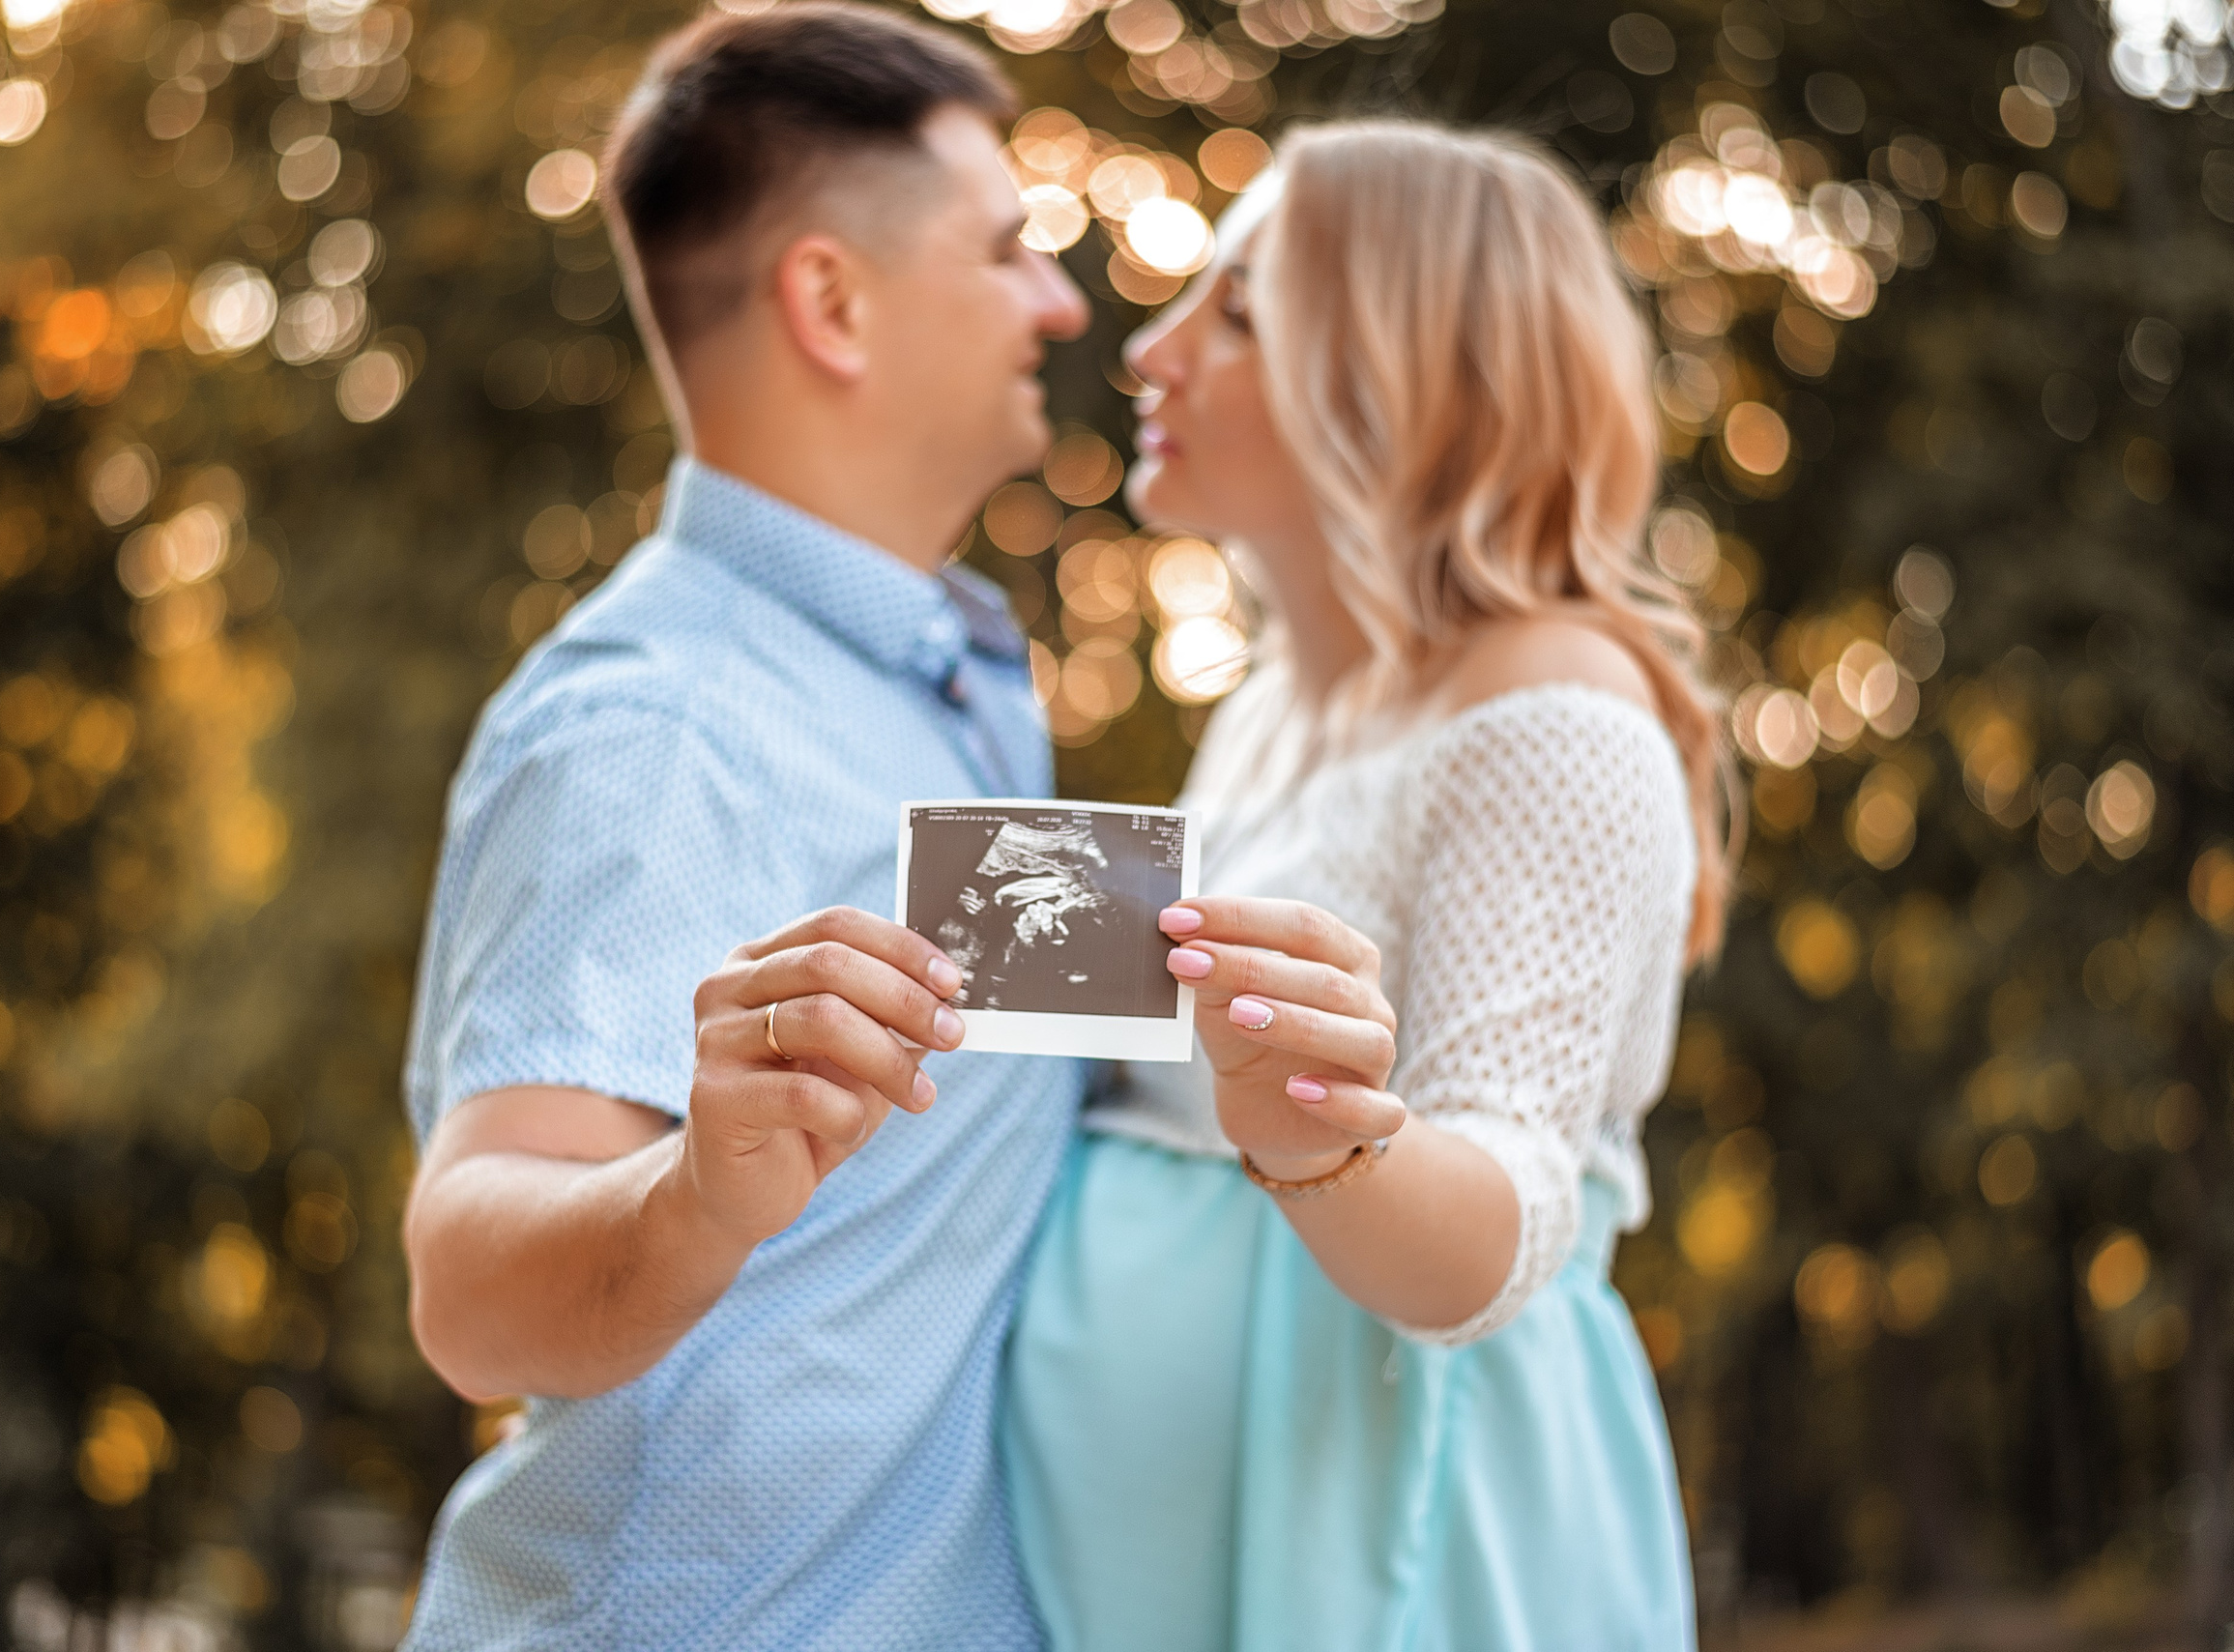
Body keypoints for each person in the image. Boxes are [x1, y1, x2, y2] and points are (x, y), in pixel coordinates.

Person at [392, 8, 1104, 1646]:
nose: (1058, 303)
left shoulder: (963, 688)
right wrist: (696, 1193)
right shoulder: (658, 729)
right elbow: (469, 1287)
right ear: (832, 303)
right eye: (1006, 251)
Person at [1003, 118, 1739, 1650]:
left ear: (1405, 378)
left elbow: (1507, 1208)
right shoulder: (1273, 702)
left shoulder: (1554, 709)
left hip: (1401, 1539)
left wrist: (1317, 1138)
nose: (1149, 351)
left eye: (1239, 314)